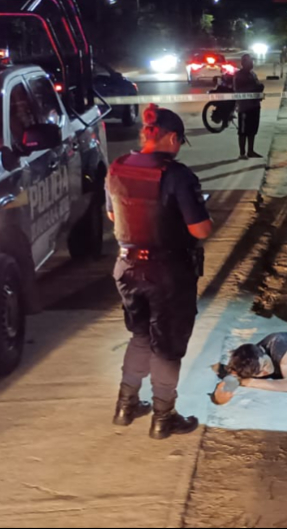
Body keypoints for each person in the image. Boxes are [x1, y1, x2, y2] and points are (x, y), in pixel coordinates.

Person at [107, 104, 214, 440]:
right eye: (179, 141)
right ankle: (163, 417)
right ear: (170, 137)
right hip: (167, 272)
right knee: (166, 346)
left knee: (140, 335)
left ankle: (125, 407)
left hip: (126, 268)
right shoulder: (177, 175)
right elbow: (200, 230)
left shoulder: (118, 167)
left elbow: (114, 217)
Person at [232, 54, 265, 160]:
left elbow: (257, 86)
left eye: (252, 62)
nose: (251, 64)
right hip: (244, 107)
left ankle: (250, 151)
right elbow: (240, 90)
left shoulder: (252, 74)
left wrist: (259, 89)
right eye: (249, 62)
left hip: (255, 105)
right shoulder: (239, 75)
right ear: (243, 63)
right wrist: (255, 88)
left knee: (253, 130)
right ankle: (242, 153)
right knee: (243, 131)